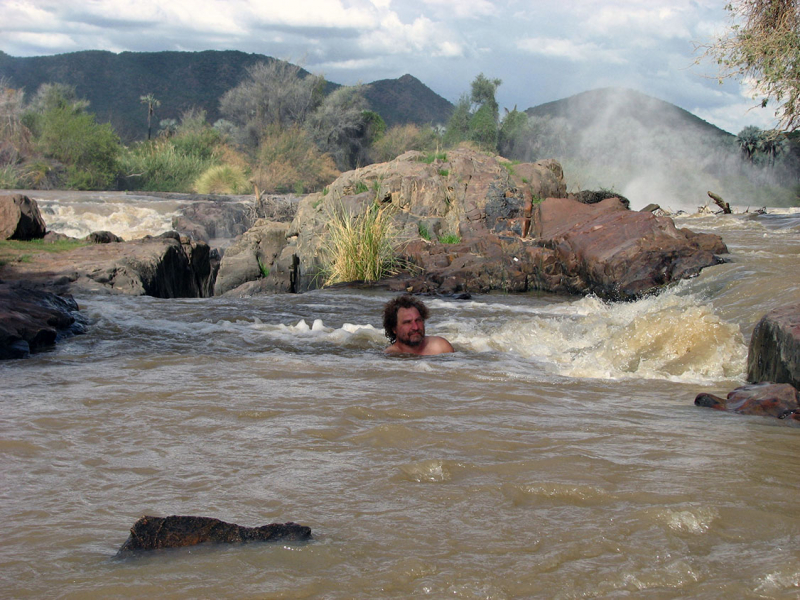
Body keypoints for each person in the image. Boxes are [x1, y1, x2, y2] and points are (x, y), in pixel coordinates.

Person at [383, 294, 454, 355]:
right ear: (394, 329)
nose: (415, 327)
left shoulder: (440, 347)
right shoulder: (391, 357)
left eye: (418, 320)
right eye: (407, 322)